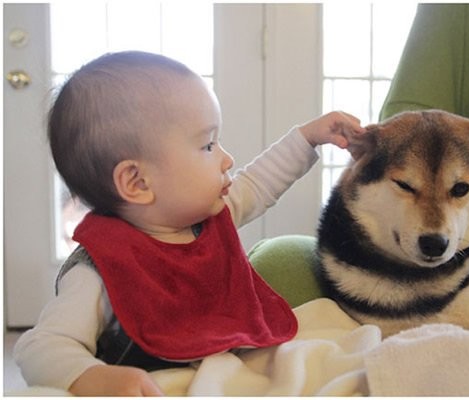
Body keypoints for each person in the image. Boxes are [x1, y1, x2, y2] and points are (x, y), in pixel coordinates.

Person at [14, 51, 365, 396]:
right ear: (137, 182)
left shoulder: (210, 217)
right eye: (208, 145)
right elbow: (41, 345)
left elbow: (258, 183)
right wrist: (90, 377)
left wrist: (308, 137)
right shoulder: (99, 269)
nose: (227, 159)